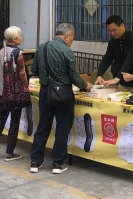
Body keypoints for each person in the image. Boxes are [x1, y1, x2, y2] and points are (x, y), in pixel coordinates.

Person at [29, 23, 92, 174]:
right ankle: (57, 164)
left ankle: (35, 162)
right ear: (67, 36)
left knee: (43, 127)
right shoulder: (66, 51)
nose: (72, 41)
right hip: (63, 93)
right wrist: (86, 85)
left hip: (45, 91)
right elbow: (74, 76)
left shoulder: (42, 48)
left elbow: (34, 69)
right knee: (62, 128)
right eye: (72, 38)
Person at [0, 26, 29, 161]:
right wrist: (26, 86)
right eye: (20, 35)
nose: (21, 37)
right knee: (14, 122)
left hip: (3, 92)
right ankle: (9, 153)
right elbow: (22, 73)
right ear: (14, 39)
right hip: (16, 94)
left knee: (0, 121)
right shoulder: (18, 53)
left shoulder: (1, 51)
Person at [97, 15, 133, 95]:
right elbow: (107, 58)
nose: (112, 33)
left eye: (114, 30)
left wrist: (117, 78)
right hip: (122, 83)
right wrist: (99, 75)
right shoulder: (113, 41)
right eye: (109, 31)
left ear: (122, 25)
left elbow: (129, 59)